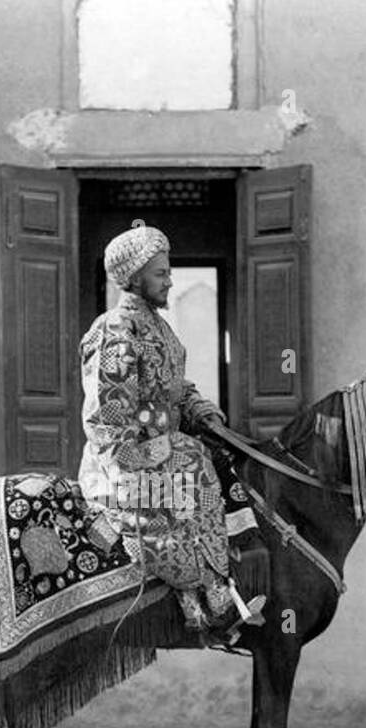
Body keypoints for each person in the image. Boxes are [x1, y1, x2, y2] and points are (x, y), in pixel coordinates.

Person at [78, 220, 267, 642]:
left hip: (164, 451)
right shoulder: (113, 331)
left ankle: (212, 592)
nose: (170, 280)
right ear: (135, 277)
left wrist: (202, 412)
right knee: (192, 459)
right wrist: (150, 452)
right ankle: (210, 593)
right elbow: (108, 419)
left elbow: (175, 389)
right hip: (121, 467)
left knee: (210, 456)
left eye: (169, 271)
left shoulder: (161, 329)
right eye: (161, 273)